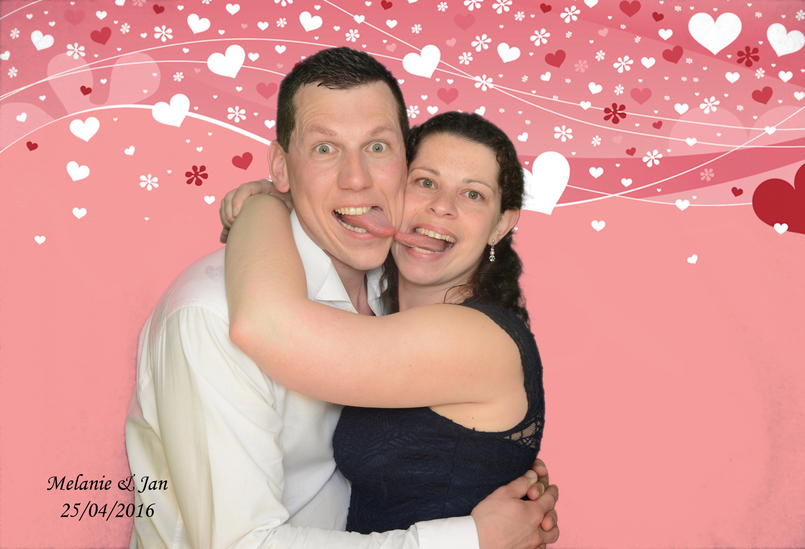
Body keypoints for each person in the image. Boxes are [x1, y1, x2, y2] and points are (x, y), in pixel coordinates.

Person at [125, 47, 558, 549]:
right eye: (325, 148)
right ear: (283, 165)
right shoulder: (208, 314)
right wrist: (468, 538)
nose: (357, 178)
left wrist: (267, 203)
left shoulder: (400, 298)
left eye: (377, 147)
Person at [223, 110, 546, 540]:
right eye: (425, 182)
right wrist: (296, 201)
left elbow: (265, 326)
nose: (442, 206)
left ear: (500, 225)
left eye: (473, 195)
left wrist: (265, 206)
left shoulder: (477, 339)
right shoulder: (378, 310)